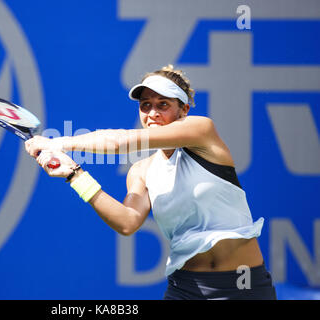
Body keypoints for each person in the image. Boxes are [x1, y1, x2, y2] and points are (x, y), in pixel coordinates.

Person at [25, 64, 277, 300]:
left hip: (245, 286)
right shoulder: (141, 171)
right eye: (145, 105)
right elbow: (127, 222)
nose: (152, 113)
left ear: (184, 110)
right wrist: (74, 175)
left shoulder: (202, 131)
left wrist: (58, 142)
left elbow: (120, 142)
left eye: (163, 104)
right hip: (186, 288)